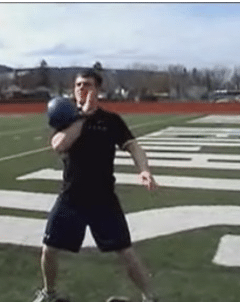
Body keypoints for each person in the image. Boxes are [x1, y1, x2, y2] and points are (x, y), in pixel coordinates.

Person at [34, 69, 158, 302]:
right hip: (71, 197)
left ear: (98, 90)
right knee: (49, 249)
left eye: (88, 85)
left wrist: (143, 170)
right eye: (79, 85)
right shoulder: (66, 117)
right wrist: (84, 116)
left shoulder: (111, 120)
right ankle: (50, 294)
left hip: (103, 198)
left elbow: (133, 146)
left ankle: (150, 298)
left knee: (125, 251)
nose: (82, 89)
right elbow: (59, 145)